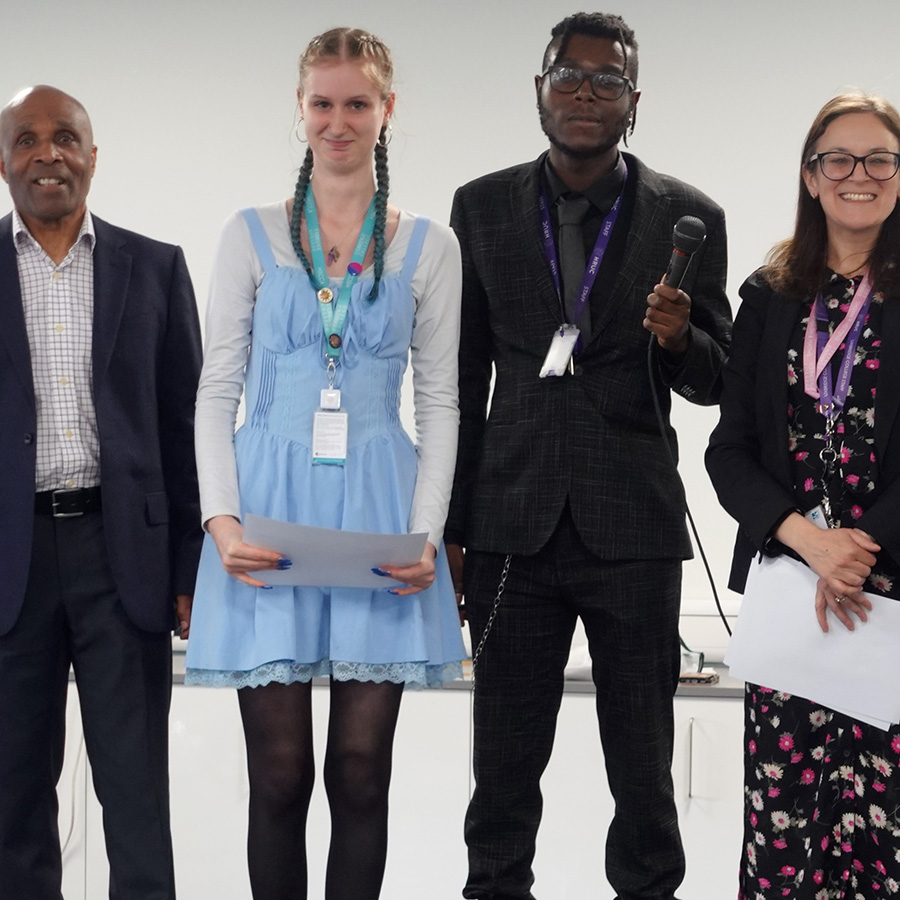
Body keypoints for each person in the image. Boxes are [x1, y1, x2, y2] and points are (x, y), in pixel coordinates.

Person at [446, 11, 732, 900]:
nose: (583, 91)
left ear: (633, 104)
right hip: (508, 531)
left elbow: (717, 382)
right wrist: (454, 528)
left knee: (644, 778)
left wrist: (682, 341)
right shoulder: (480, 206)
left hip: (634, 532)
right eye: (567, 75)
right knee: (500, 777)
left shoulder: (690, 217)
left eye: (606, 80)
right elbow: (458, 383)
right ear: (539, 89)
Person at [184, 27, 466, 900]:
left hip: (379, 513)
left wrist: (428, 534)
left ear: (387, 111)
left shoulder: (432, 245)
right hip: (263, 505)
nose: (337, 121)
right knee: (277, 776)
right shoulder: (252, 234)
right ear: (300, 110)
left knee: (359, 775)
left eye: (356, 103)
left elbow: (441, 402)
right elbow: (215, 389)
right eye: (321, 103)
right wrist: (219, 521)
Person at [0, 85, 202, 900]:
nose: (47, 154)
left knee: (136, 797)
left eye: (65, 138)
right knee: (13, 798)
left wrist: (191, 565)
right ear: (4, 160)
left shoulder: (154, 267)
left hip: (124, 555)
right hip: (11, 564)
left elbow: (188, 425)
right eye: (26, 140)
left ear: (92, 155)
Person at [706, 93, 900, 899]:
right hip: (794, 604)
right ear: (811, 177)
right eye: (839, 160)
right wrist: (810, 542)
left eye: (879, 159)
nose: (859, 175)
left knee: (885, 834)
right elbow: (729, 451)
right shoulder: (771, 294)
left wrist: (859, 551)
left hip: (890, 602)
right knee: (787, 832)